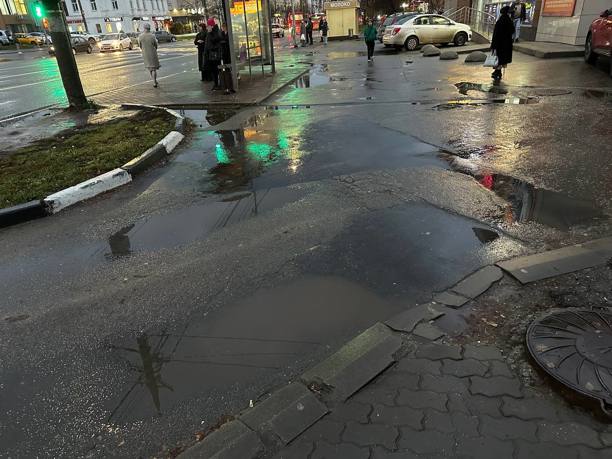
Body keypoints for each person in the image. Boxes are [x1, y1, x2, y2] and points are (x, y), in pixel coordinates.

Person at [490, 6, 515, 80]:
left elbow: (495, 34)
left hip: (499, 44)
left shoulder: (500, 21)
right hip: (506, 44)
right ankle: (498, 72)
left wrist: (493, 45)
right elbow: (512, 31)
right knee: (502, 59)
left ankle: (497, 72)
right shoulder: (509, 21)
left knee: (498, 58)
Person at [204, 18, 222, 90]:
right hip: (210, 55)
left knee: (216, 70)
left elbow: (216, 41)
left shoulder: (215, 32)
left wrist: (211, 33)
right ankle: (216, 84)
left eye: (208, 26)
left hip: (215, 55)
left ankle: (218, 84)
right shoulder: (209, 33)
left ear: (211, 26)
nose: (207, 27)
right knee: (213, 70)